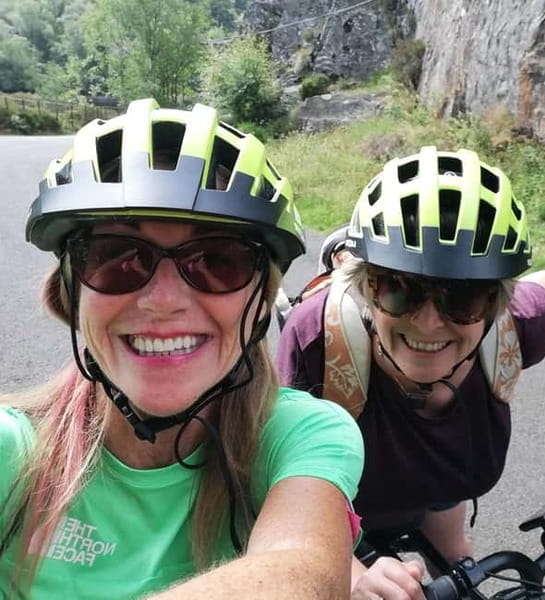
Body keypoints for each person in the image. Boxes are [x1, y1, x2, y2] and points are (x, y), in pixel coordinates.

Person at [276, 146, 545, 600]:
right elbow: (275, 473)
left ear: (496, 302)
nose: (429, 322)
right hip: (335, 511)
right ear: (365, 289)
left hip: (438, 490)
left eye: (463, 297)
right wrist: (353, 572)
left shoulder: (508, 327)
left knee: (457, 562)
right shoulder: (320, 339)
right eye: (399, 289)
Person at [0, 98, 364, 599]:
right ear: (71, 294)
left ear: (261, 304)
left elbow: (303, 573)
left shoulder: (301, 435)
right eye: (116, 257)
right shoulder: (12, 453)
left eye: (218, 259)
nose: (163, 301)